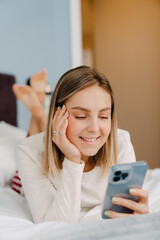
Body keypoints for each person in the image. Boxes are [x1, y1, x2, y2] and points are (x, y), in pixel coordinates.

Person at [16, 66, 149, 224]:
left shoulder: (120, 142)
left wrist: (140, 213)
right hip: (20, 182)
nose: (94, 128)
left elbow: (126, 211)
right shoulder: (28, 152)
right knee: (35, 147)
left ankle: (39, 106)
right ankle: (38, 112)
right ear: (58, 115)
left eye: (103, 116)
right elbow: (55, 225)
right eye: (80, 116)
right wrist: (72, 159)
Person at [11, 69, 48, 193]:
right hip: (27, 182)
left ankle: (38, 109)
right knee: (49, 147)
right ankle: (39, 108)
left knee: (36, 146)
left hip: (25, 175)